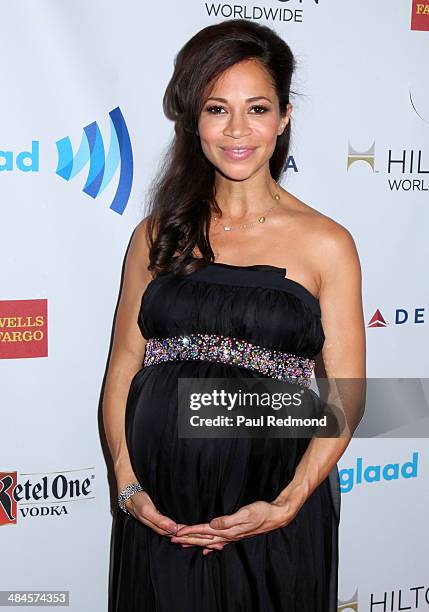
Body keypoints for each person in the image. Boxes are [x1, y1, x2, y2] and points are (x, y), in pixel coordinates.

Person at [104, 18, 366, 612]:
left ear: (284, 117)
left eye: (258, 108)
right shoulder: (156, 235)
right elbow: (123, 366)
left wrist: (289, 501)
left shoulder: (326, 243)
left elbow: (345, 395)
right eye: (218, 109)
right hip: (158, 515)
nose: (238, 130)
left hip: (269, 516)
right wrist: (127, 484)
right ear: (195, 119)